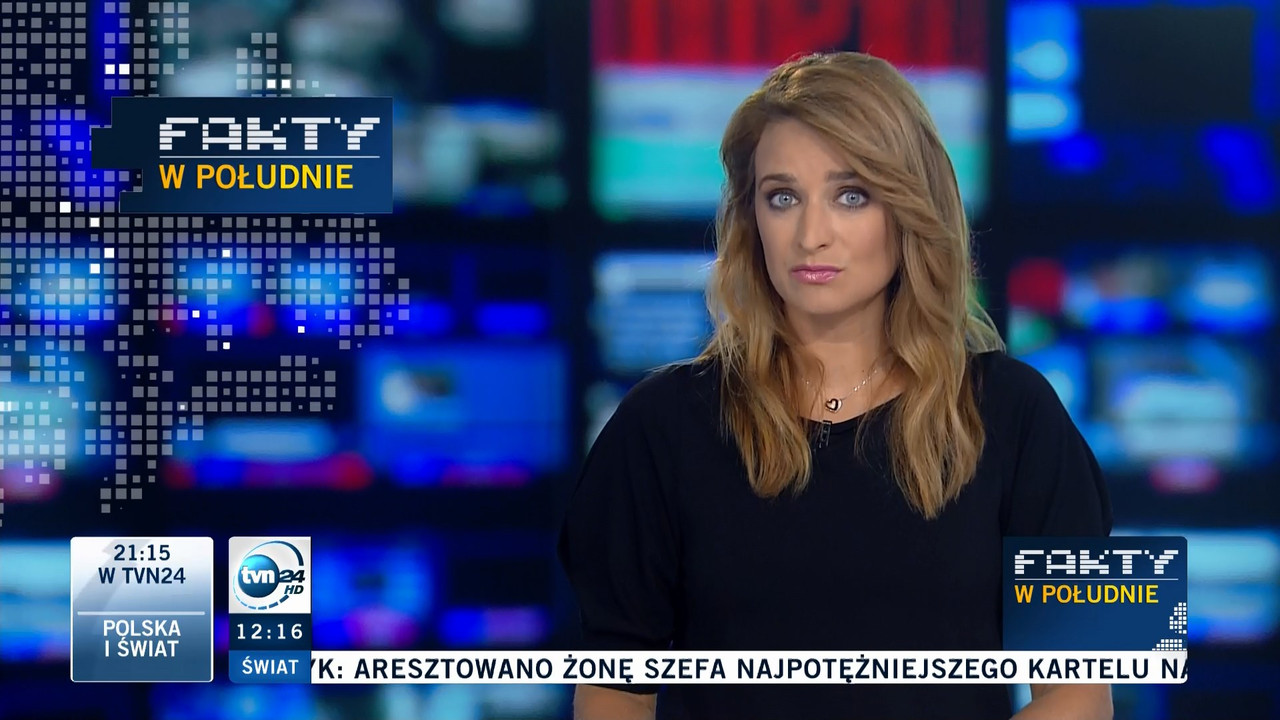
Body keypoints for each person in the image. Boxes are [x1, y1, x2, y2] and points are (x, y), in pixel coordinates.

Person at [557, 52, 1113, 720]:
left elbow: (1086, 694)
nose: (811, 235)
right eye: (782, 197)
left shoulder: (1022, 413)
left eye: (852, 195)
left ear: (909, 208)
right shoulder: (658, 425)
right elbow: (611, 692)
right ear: (751, 219)